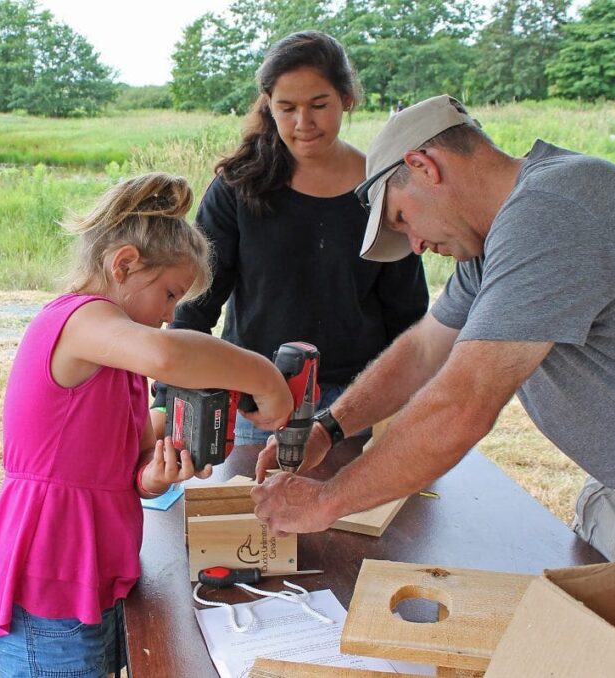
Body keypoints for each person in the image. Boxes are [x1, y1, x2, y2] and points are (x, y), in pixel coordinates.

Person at [251, 94, 615, 562]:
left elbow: (461, 405)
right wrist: (329, 429)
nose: (415, 245)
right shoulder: (496, 239)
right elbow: (421, 352)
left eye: (402, 218)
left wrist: (324, 502)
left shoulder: (550, 212)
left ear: (423, 166)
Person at [0, 173, 292, 677]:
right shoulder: (76, 320)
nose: (171, 314)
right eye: (170, 294)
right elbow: (167, 354)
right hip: (51, 579)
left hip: (98, 573)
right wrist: (265, 377)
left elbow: (130, 464)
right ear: (125, 264)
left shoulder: (116, 362)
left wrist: (154, 475)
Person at [150, 31, 428, 446]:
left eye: (319, 105)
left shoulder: (382, 189)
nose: (304, 124)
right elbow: (197, 300)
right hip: (255, 402)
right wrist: (167, 398)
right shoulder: (238, 187)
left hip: (358, 401)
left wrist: (409, 402)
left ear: (347, 98)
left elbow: (406, 313)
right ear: (269, 105)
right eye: (287, 108)